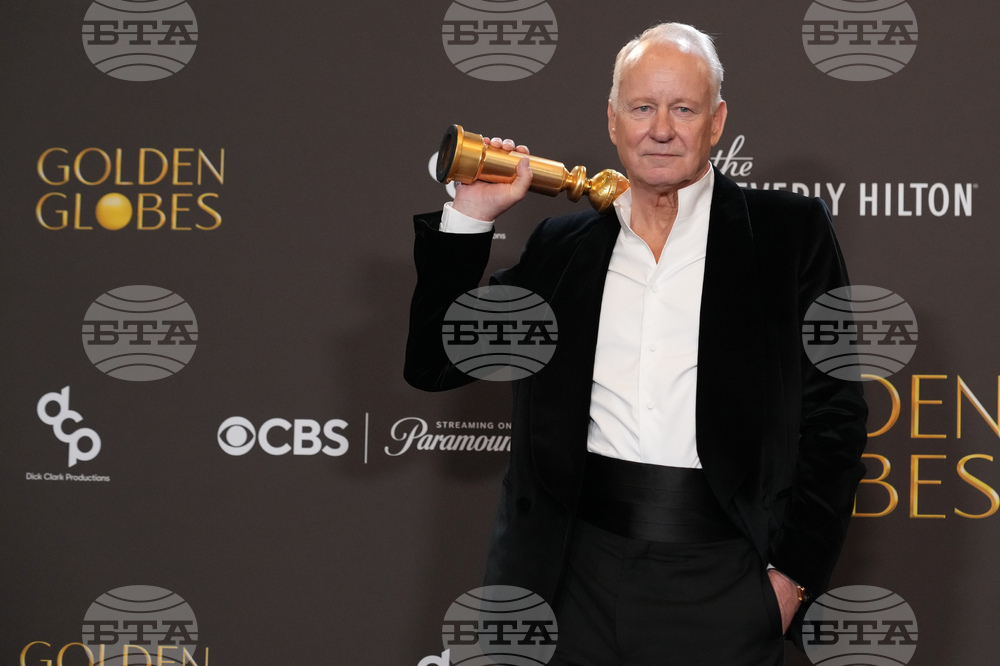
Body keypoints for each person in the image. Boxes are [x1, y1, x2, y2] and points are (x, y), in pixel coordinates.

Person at [405, 22, 867, 666]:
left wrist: (790, 580)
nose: (661, 129)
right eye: (643, 107)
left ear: (717, 122)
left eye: (684, 109)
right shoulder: (562, 249)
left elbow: (835, 416)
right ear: (614, 120)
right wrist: (470, 218)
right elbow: (435, 362)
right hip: (568, 580)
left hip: (725, 582)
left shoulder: (788, 234)